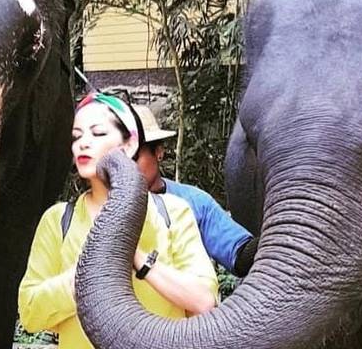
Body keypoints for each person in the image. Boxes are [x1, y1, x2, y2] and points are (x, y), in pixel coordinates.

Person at [18, 92, 218, 348]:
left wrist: (134, 254)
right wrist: (91, 268)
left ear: (128, 145)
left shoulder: (173, 212)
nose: (83, 143)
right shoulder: (58, 220)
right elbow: (30, 313)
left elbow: (204, 301)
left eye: (98, 133)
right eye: (77, 136)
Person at [132, 104, 258, 277]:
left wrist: (282, 236)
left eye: (133, 156)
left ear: (158, 152)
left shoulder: (194, 202)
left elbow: (239, 254)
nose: (125, 166)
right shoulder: (96, 207)